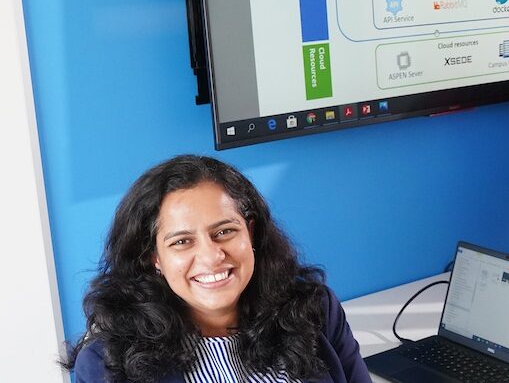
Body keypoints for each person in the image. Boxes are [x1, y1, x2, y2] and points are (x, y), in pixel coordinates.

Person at [63, 155, 369, 382]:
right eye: (182, 241)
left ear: (250, 231)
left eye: (224, 231)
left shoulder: (315, 309)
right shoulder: (105, 366)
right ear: (152, 257)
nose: (211, 257)